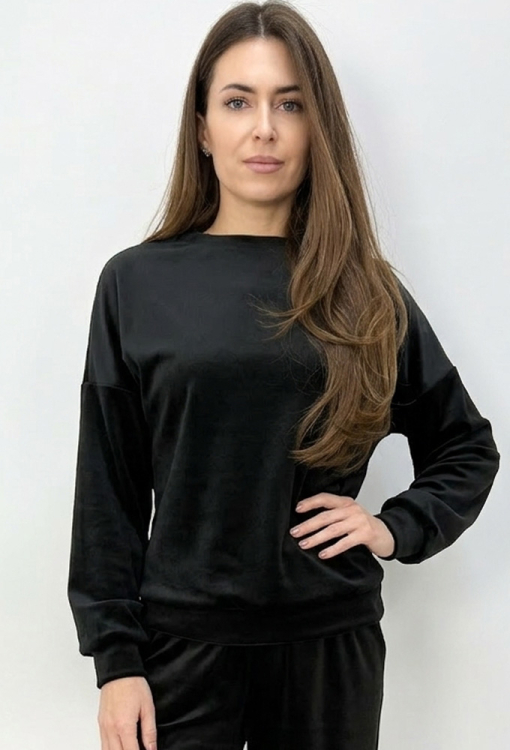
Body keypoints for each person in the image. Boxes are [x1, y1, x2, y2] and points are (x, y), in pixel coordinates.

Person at [67, 2, 500, 749]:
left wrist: (393, 527)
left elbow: (466, 447)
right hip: (180, 654)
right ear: (203, 129)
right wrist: (116, 662)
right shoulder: (136, 284)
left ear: (316, 127)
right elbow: (109, 489)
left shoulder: (366, 290)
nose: (264, 128)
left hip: (329, 651)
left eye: (290, 104)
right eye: (238, 102)